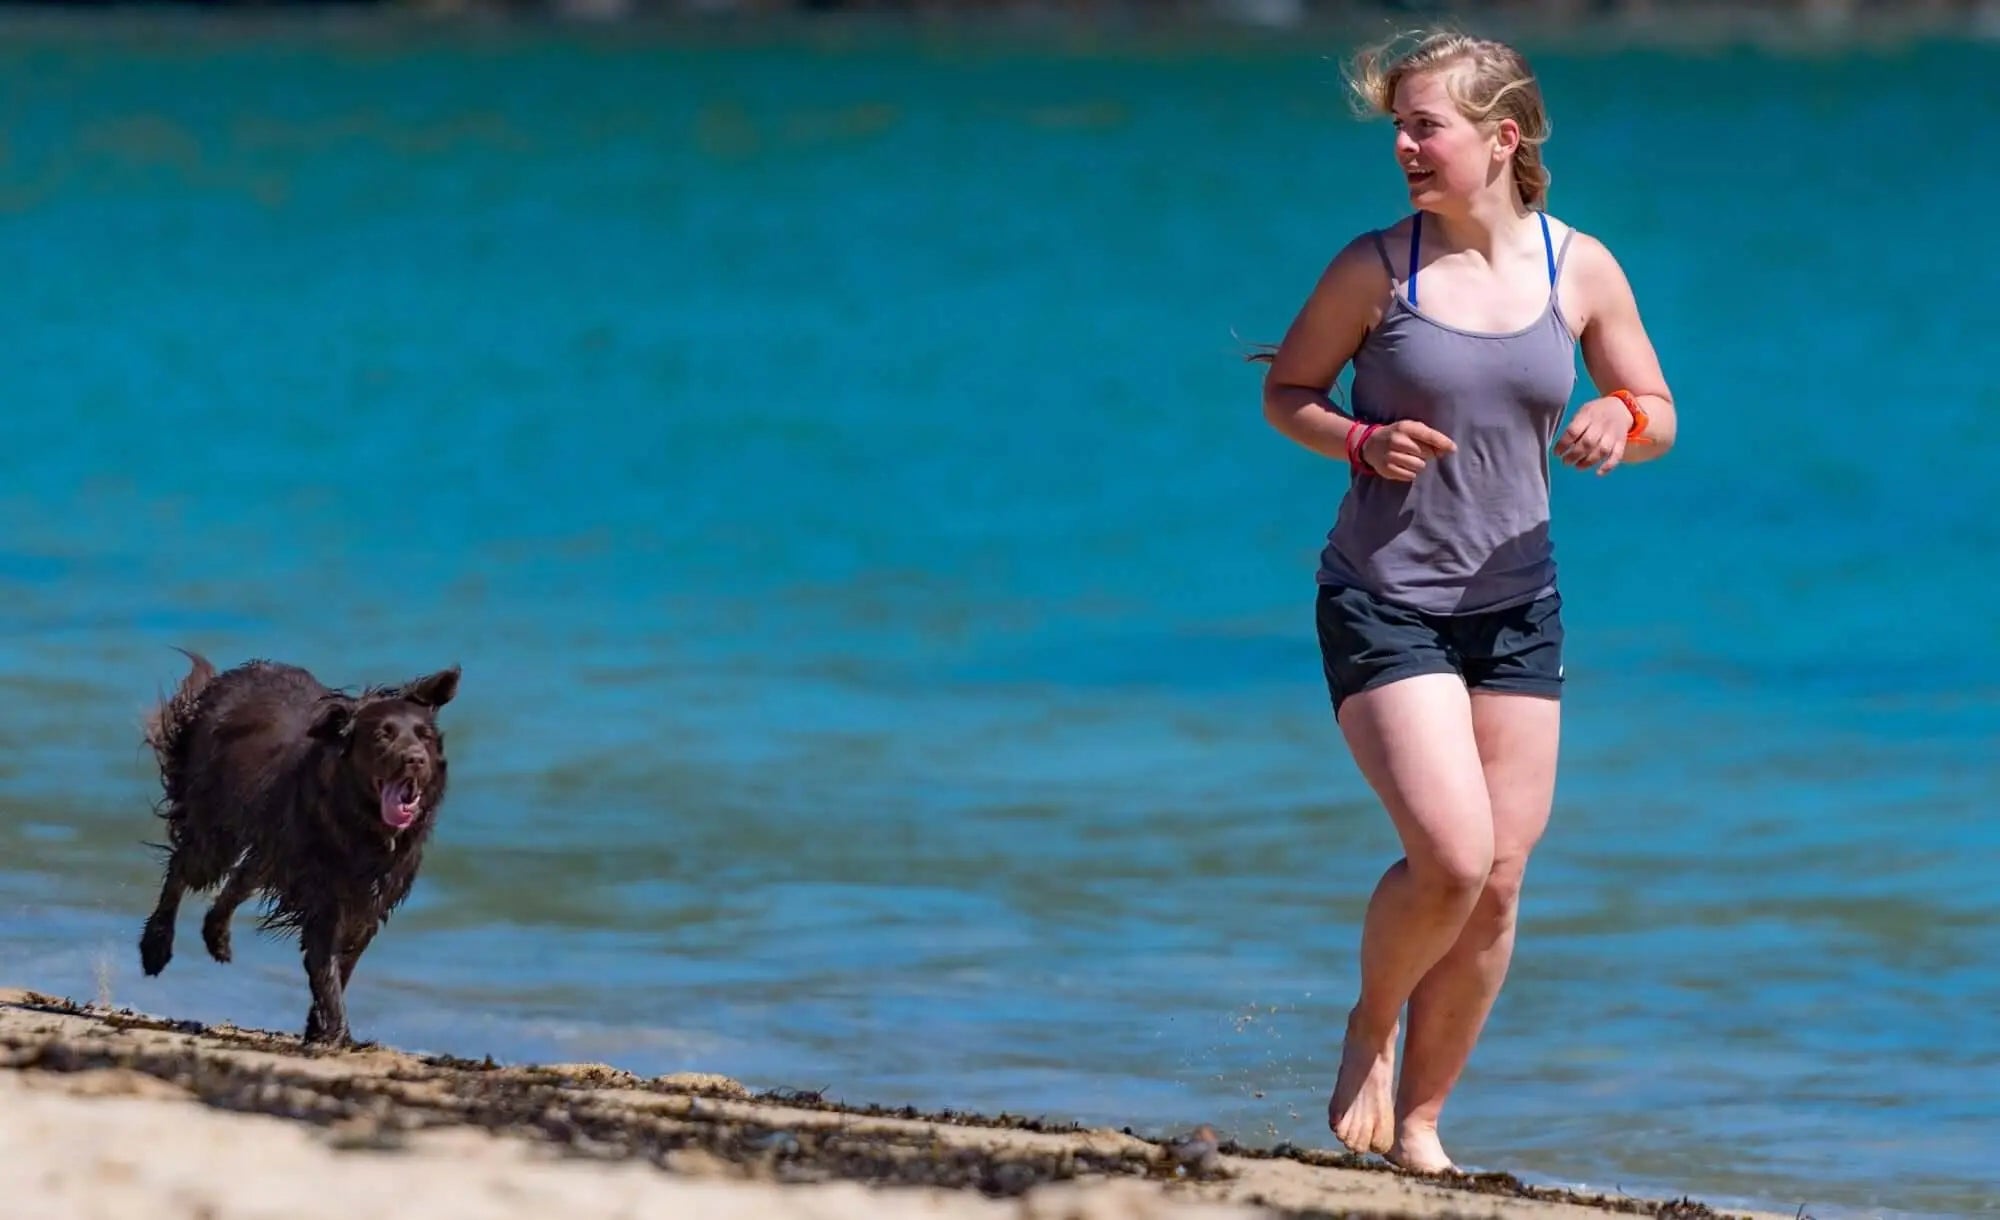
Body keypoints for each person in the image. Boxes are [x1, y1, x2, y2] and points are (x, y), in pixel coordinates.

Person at [1253, 29, 1677, 1175]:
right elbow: (1287, 391)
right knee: (1447, 852)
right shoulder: (1372, 269)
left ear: (1500, 137)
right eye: (1395, 125)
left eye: (1422, 124)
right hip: (1382, 596)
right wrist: (1357, 435)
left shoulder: (1576, 268)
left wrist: (1620, 421)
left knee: (1496, 883)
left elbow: (1653, 404)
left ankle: (1425, 1126)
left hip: (1516, 604)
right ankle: (1366, 1026)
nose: (1400, 146)